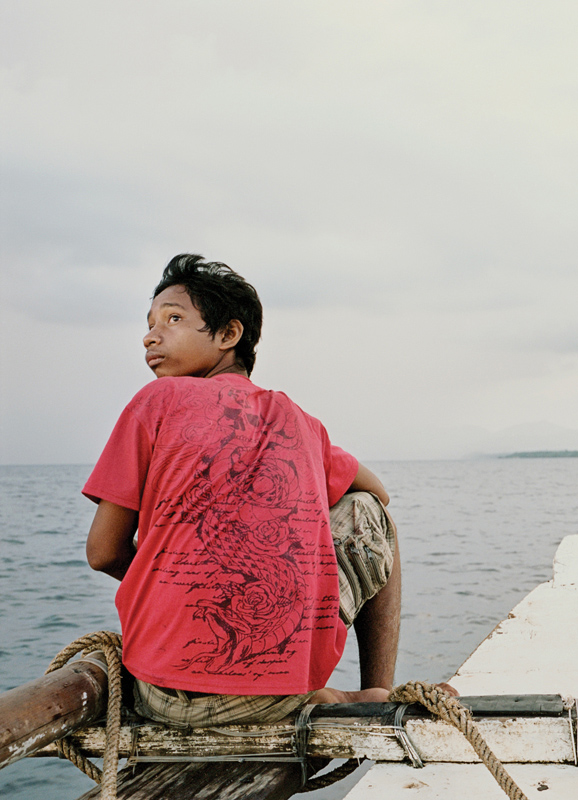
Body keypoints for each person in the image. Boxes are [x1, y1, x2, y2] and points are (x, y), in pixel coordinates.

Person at [84, 254, 401, 726]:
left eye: (173, 319)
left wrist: (173, 583)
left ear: (229, 334)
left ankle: (330, 695)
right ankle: (373, 690)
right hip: (282, 691)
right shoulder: (296, 419)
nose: (151, 336)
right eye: (149, 324)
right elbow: (377, 493)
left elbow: (103, 553)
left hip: (164, 694)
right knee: (373, 515)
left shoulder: (155, 401)